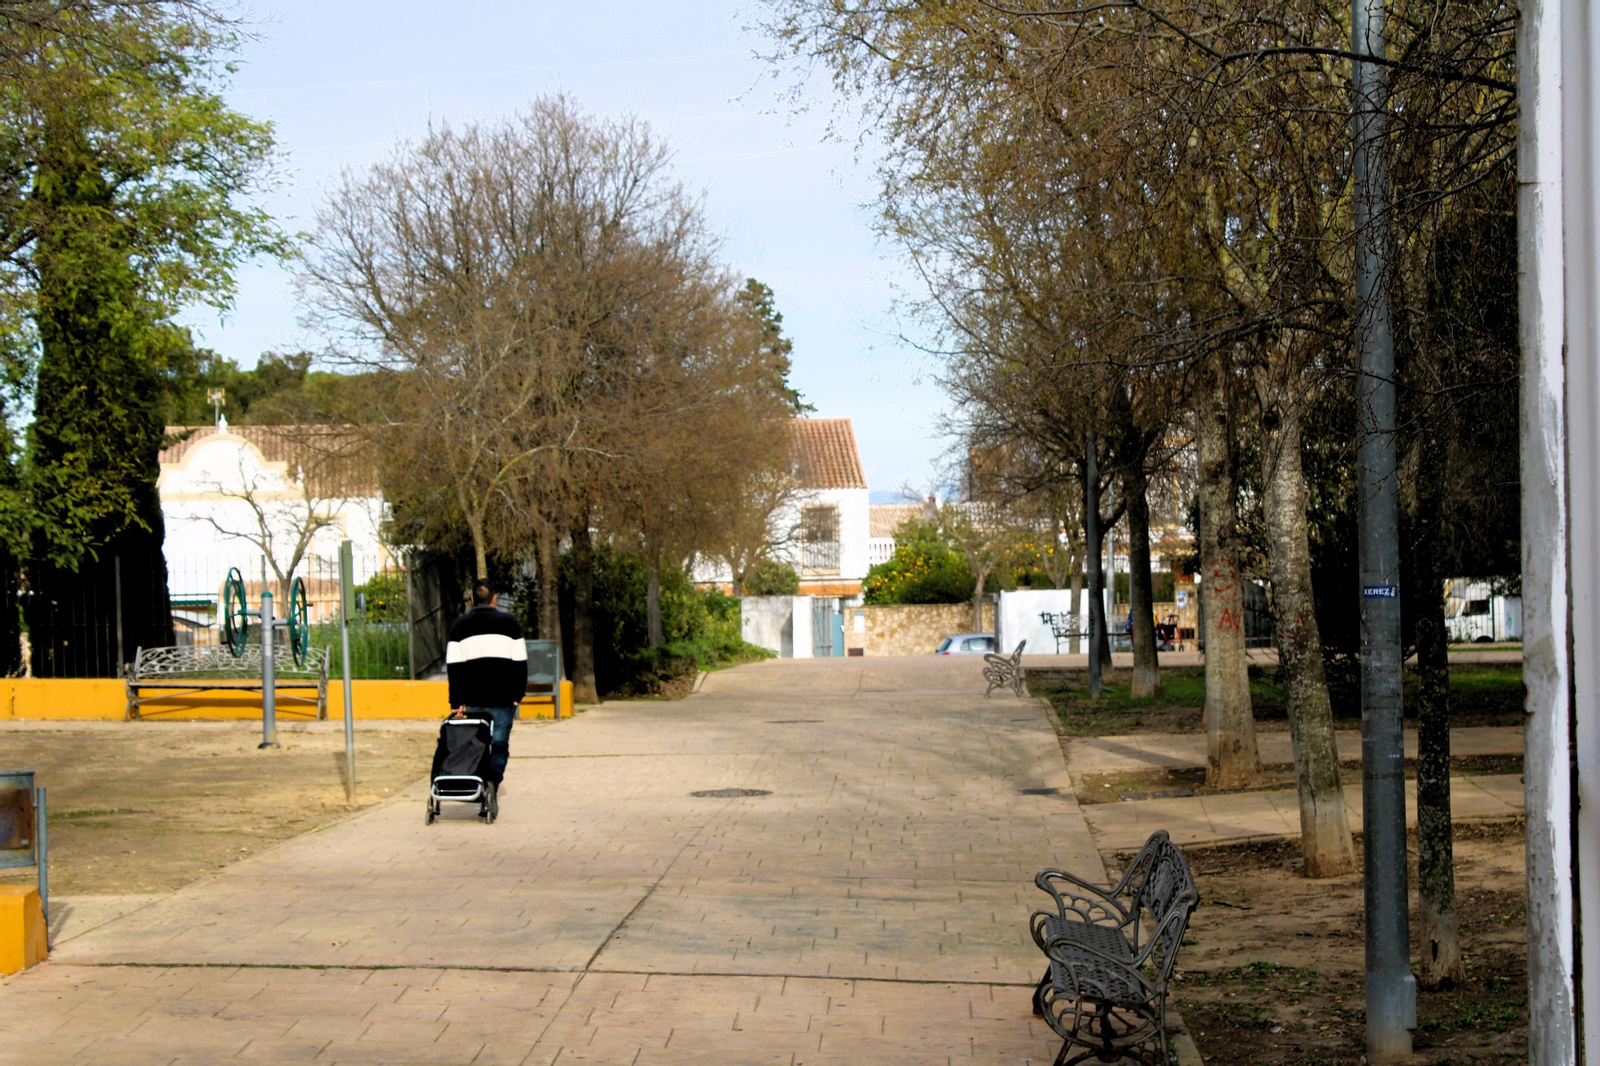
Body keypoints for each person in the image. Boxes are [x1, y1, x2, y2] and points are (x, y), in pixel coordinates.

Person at [445, 581, 526, 808]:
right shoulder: (510, 623)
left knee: (477, 745)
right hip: (503, 698)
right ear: (495, 599)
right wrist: (518, 694)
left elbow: (454, 667)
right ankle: (492, 782)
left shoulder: (459, 626)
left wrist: (456, 702)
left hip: (472, 699)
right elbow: (520, 662)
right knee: (499, 745)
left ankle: (479, 784)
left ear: (472, 600)